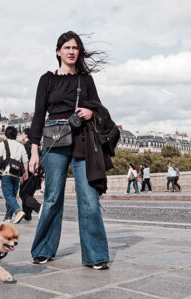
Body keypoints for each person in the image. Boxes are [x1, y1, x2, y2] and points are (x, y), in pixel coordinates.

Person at [29, 31, 113, 269]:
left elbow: (99, 108)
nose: (71, 51)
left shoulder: (85, 80)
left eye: (75, 47)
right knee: (52, 197)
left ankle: (95, 255)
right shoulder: (47, 79)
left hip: (83, 139)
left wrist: (91, 112)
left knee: (89, 198)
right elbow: (38, 116)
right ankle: (43, 249)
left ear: (79, 52)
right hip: (54, 139)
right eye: (67, 47)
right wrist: (34, 152)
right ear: (58, 51)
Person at [0, 126, 28, 224]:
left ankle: (18, 211)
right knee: (12, 196)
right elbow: (25, 160)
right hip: (17, 174)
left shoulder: (2, 144)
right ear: (16, 134)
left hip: (7, 172)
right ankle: (8, 217)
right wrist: (25, 173)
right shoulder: (21, 146)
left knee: (8, 195)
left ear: (6, 134)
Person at [19, 128, 42, 221]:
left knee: (23, 194)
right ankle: (27, 215)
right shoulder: (36, 147)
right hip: (36, 175)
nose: (22, 135)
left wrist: (21, 174)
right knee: (29, 194)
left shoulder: (24, 147)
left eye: (22, 134)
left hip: (27, 174)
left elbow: (22, 161)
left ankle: (39, 208)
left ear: (25, 135)